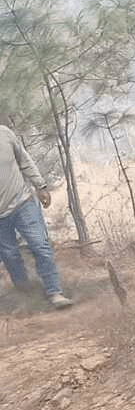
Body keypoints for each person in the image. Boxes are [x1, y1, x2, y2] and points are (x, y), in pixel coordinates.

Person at [0, 126, 73, 308]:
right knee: (9, 256)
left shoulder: (5, 133)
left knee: (39, 245)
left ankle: (55, 292)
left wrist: (40, 185)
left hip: (22, 201)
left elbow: (24, 161)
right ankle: (27, 296)